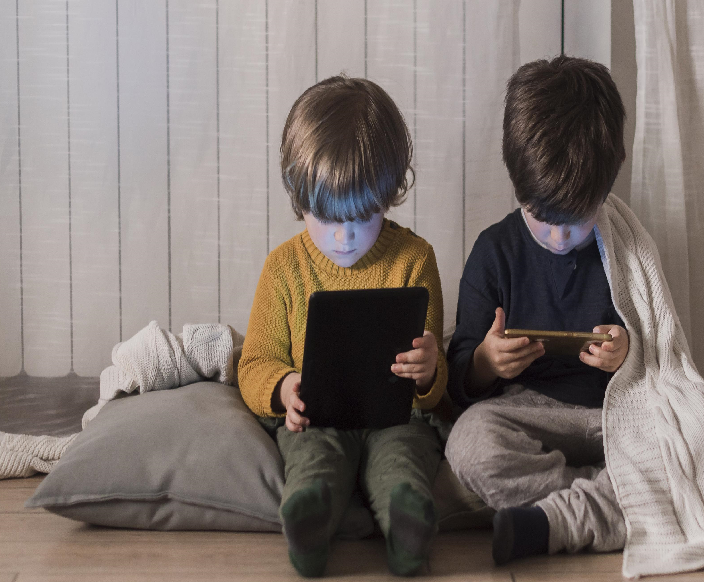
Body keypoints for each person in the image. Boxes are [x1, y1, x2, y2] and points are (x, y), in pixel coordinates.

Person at [238, 75, 447, 578]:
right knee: (313, 459)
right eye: (326, 216)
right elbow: (254, 362)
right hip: (317, 419)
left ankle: (407, 524)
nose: (345, 236)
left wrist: (427, 371)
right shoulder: (283, 268)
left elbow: (433, 392)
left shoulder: (415, 260)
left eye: (363, 215)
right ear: (299, 197)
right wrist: (285, 387)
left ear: (390, 194)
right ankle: (309, 520)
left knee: (404, 458)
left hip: (397, 419)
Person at [445, 55, 630, 565]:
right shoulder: (494, 251)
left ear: (606, 186)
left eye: (575, 221)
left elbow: (663, 355)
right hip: (524, 415)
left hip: (611, 416)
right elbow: (459, 375)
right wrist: (486, 361)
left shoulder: (626, 249)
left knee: (687, 447)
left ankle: (551, 522)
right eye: (540, 217)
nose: (556, 236)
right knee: (470, 441)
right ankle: (606, 503)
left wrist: (627, 351)